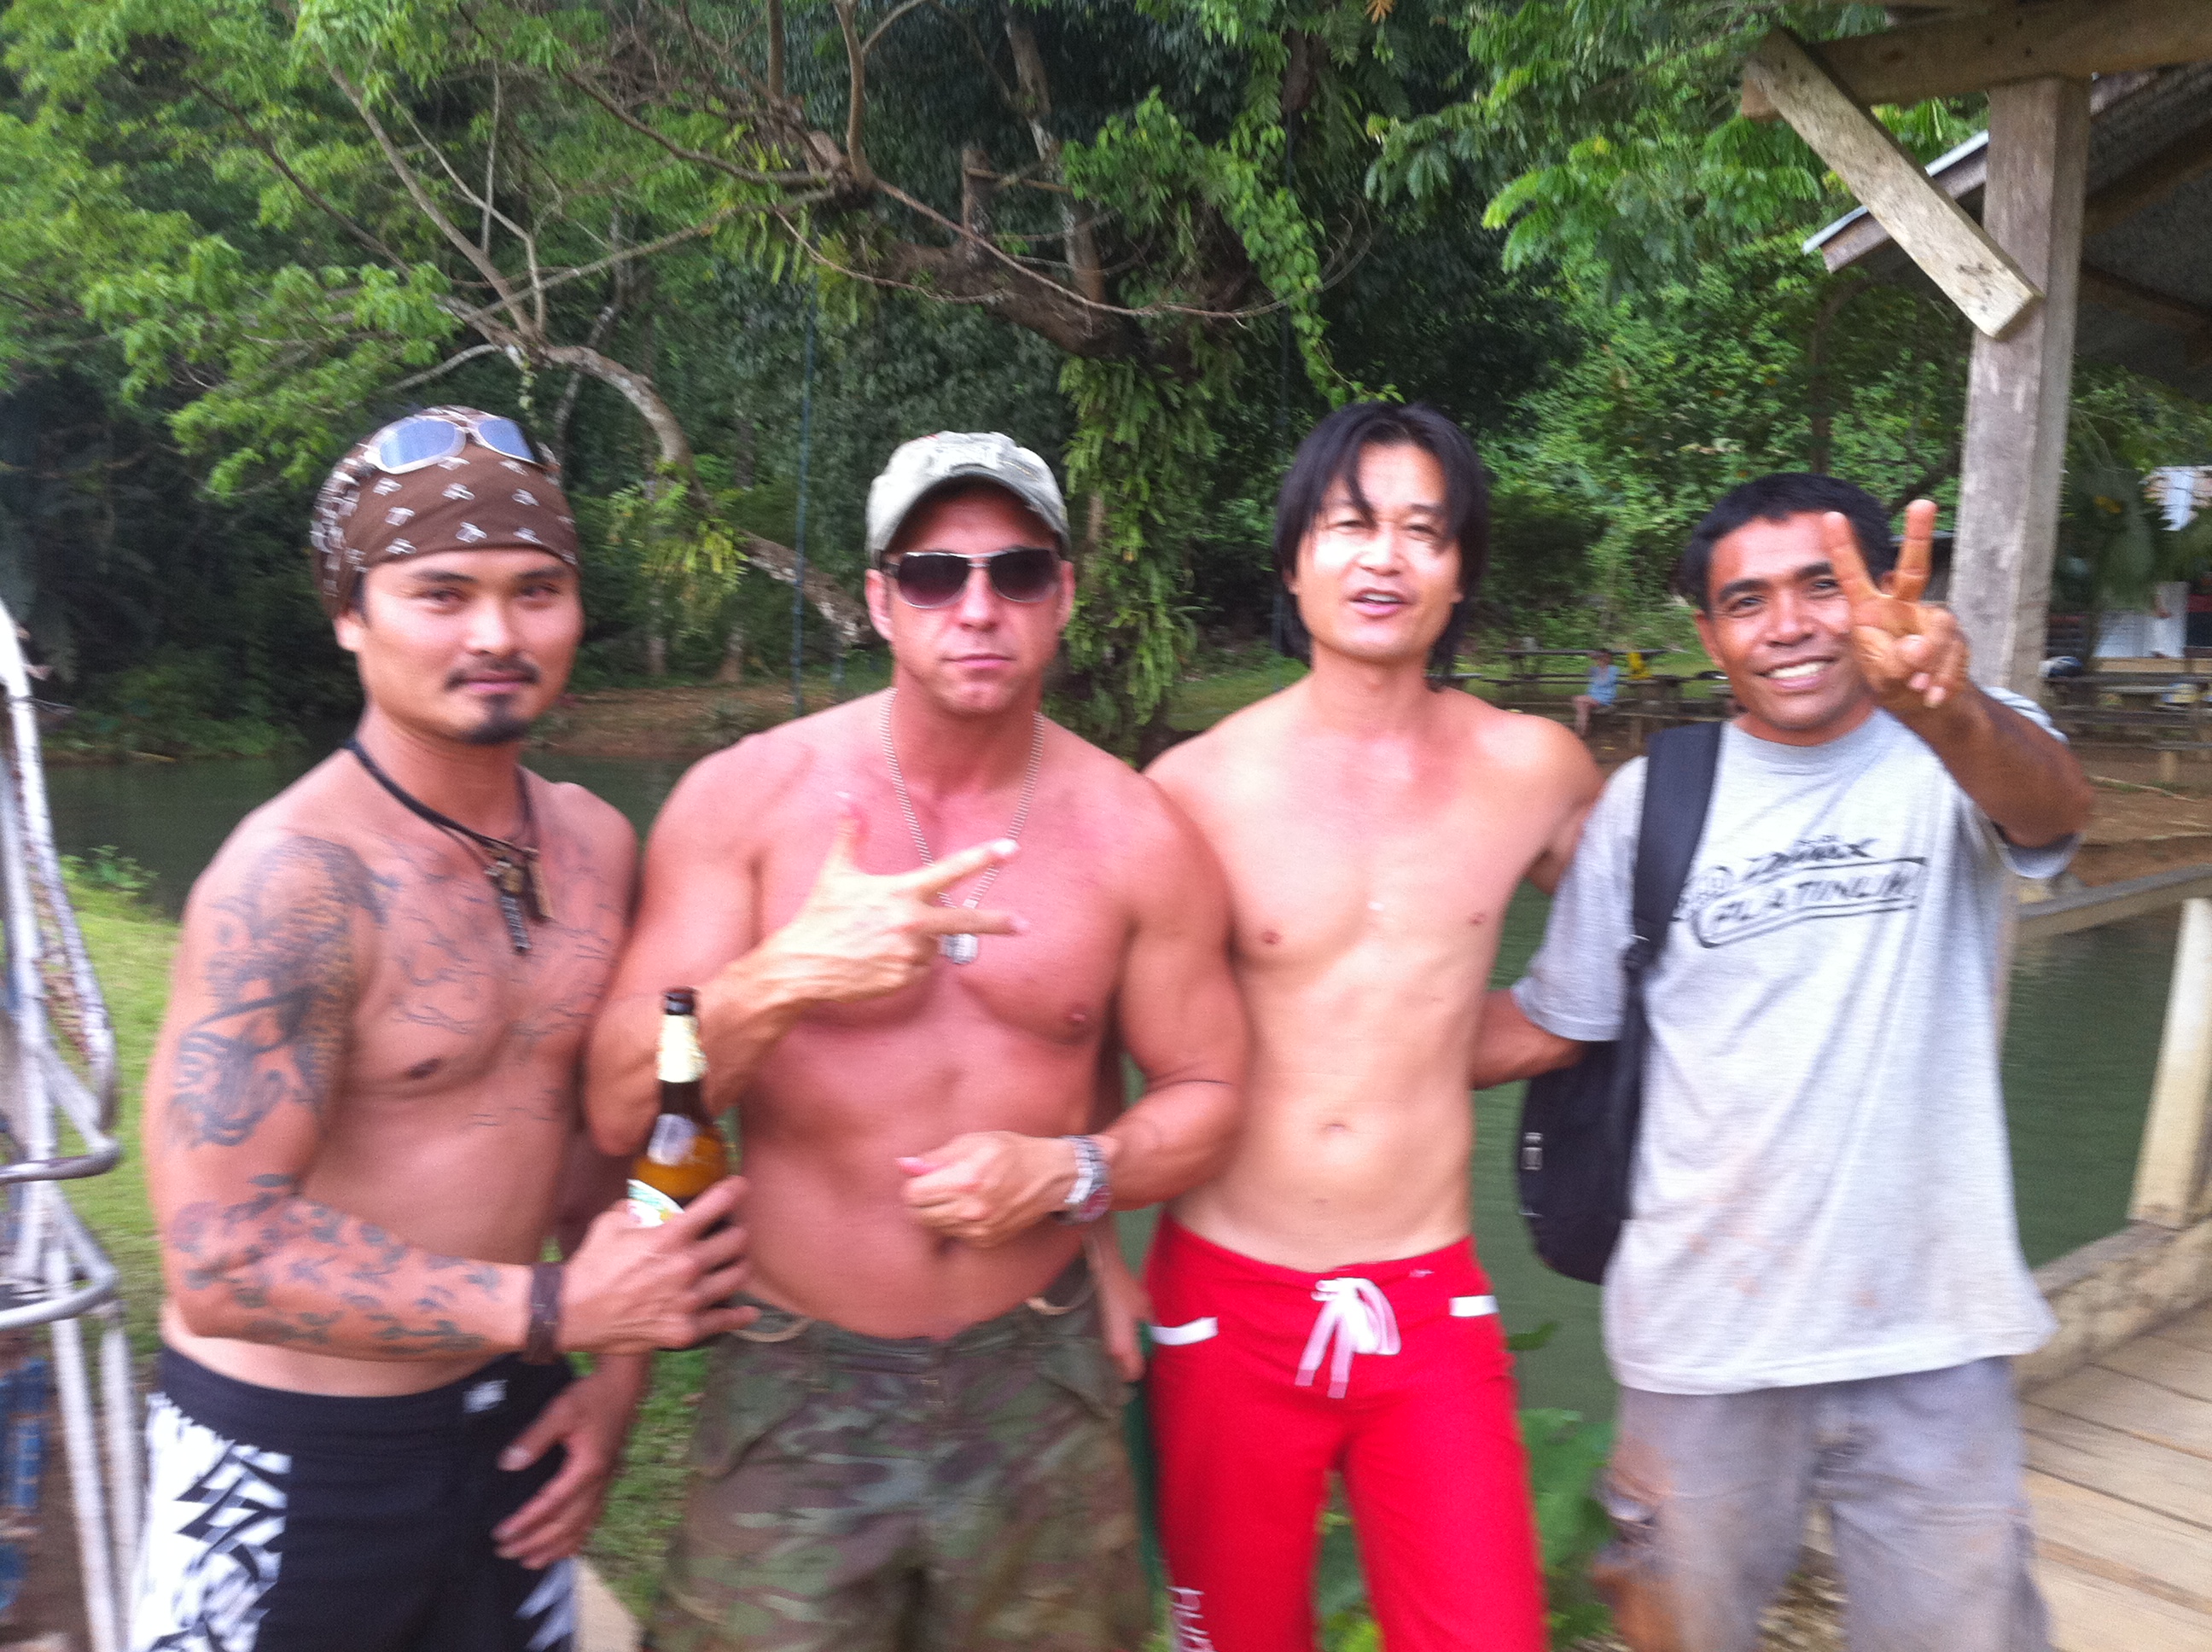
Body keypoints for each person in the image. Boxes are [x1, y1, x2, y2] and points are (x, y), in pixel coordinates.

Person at [584, 430, 1247, 1652]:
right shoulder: (746, 800)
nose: (978, 607)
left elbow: (1208, 1091)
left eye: (1017, 572)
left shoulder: (1136, 832)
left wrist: (1075, 1172)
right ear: (882, 601)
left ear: (1064, 595)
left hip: (1036, 1376)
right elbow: (621, 1104)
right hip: (797, 1375)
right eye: (937, 575)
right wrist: (785, 975)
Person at [134, 407, 755, 1652]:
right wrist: (555, 1309)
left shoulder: (594, 844)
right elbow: (221, 1255)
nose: (496, 635)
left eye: (536, 591)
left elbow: (605, 1144)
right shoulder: (294, 883)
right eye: (442, 594)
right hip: (289, 1457)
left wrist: (615, 1384)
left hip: (510, 1425)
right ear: (350, 613)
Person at [1481, 473, 2094, 1652]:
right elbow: (1561, 1020)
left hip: (1931, 1334)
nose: (1791, 625)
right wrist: (1334, 1033)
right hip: (1700, 1344)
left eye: (1824, 586)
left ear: (1880, 593)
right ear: (1710, 635)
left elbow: (2054, 813)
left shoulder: (1959, 743)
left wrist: (1947, 708)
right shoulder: (1651, 800)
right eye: (1748, 601)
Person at [1138, 401, 1601, 1652]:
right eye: (1349, 526)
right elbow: (1093, 1031)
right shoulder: (1194, 788)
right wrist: (1086, 1246)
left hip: (1427, 1290)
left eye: (1422, 531)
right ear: (1295, 561)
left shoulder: (1534, 769)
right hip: (1227, 1296)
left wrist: (1541, 1026)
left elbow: (1651, 937)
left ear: (1461, 573)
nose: (1384, 557)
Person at [1573, 647, 1619, 737]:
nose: (1601, 659)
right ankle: (1582, 731)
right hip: (1591, 698)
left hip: (1604, 698)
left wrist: (1602, 666)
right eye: (1599, 657)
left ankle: (1580, 731)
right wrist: (1591, 660)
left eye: (1603, 657)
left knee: (1578, 700)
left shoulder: (1613, 669)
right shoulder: (1596, 669)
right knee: (1582, 707)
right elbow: (1586, 673)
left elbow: (1605, 682)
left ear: (1609, 658)